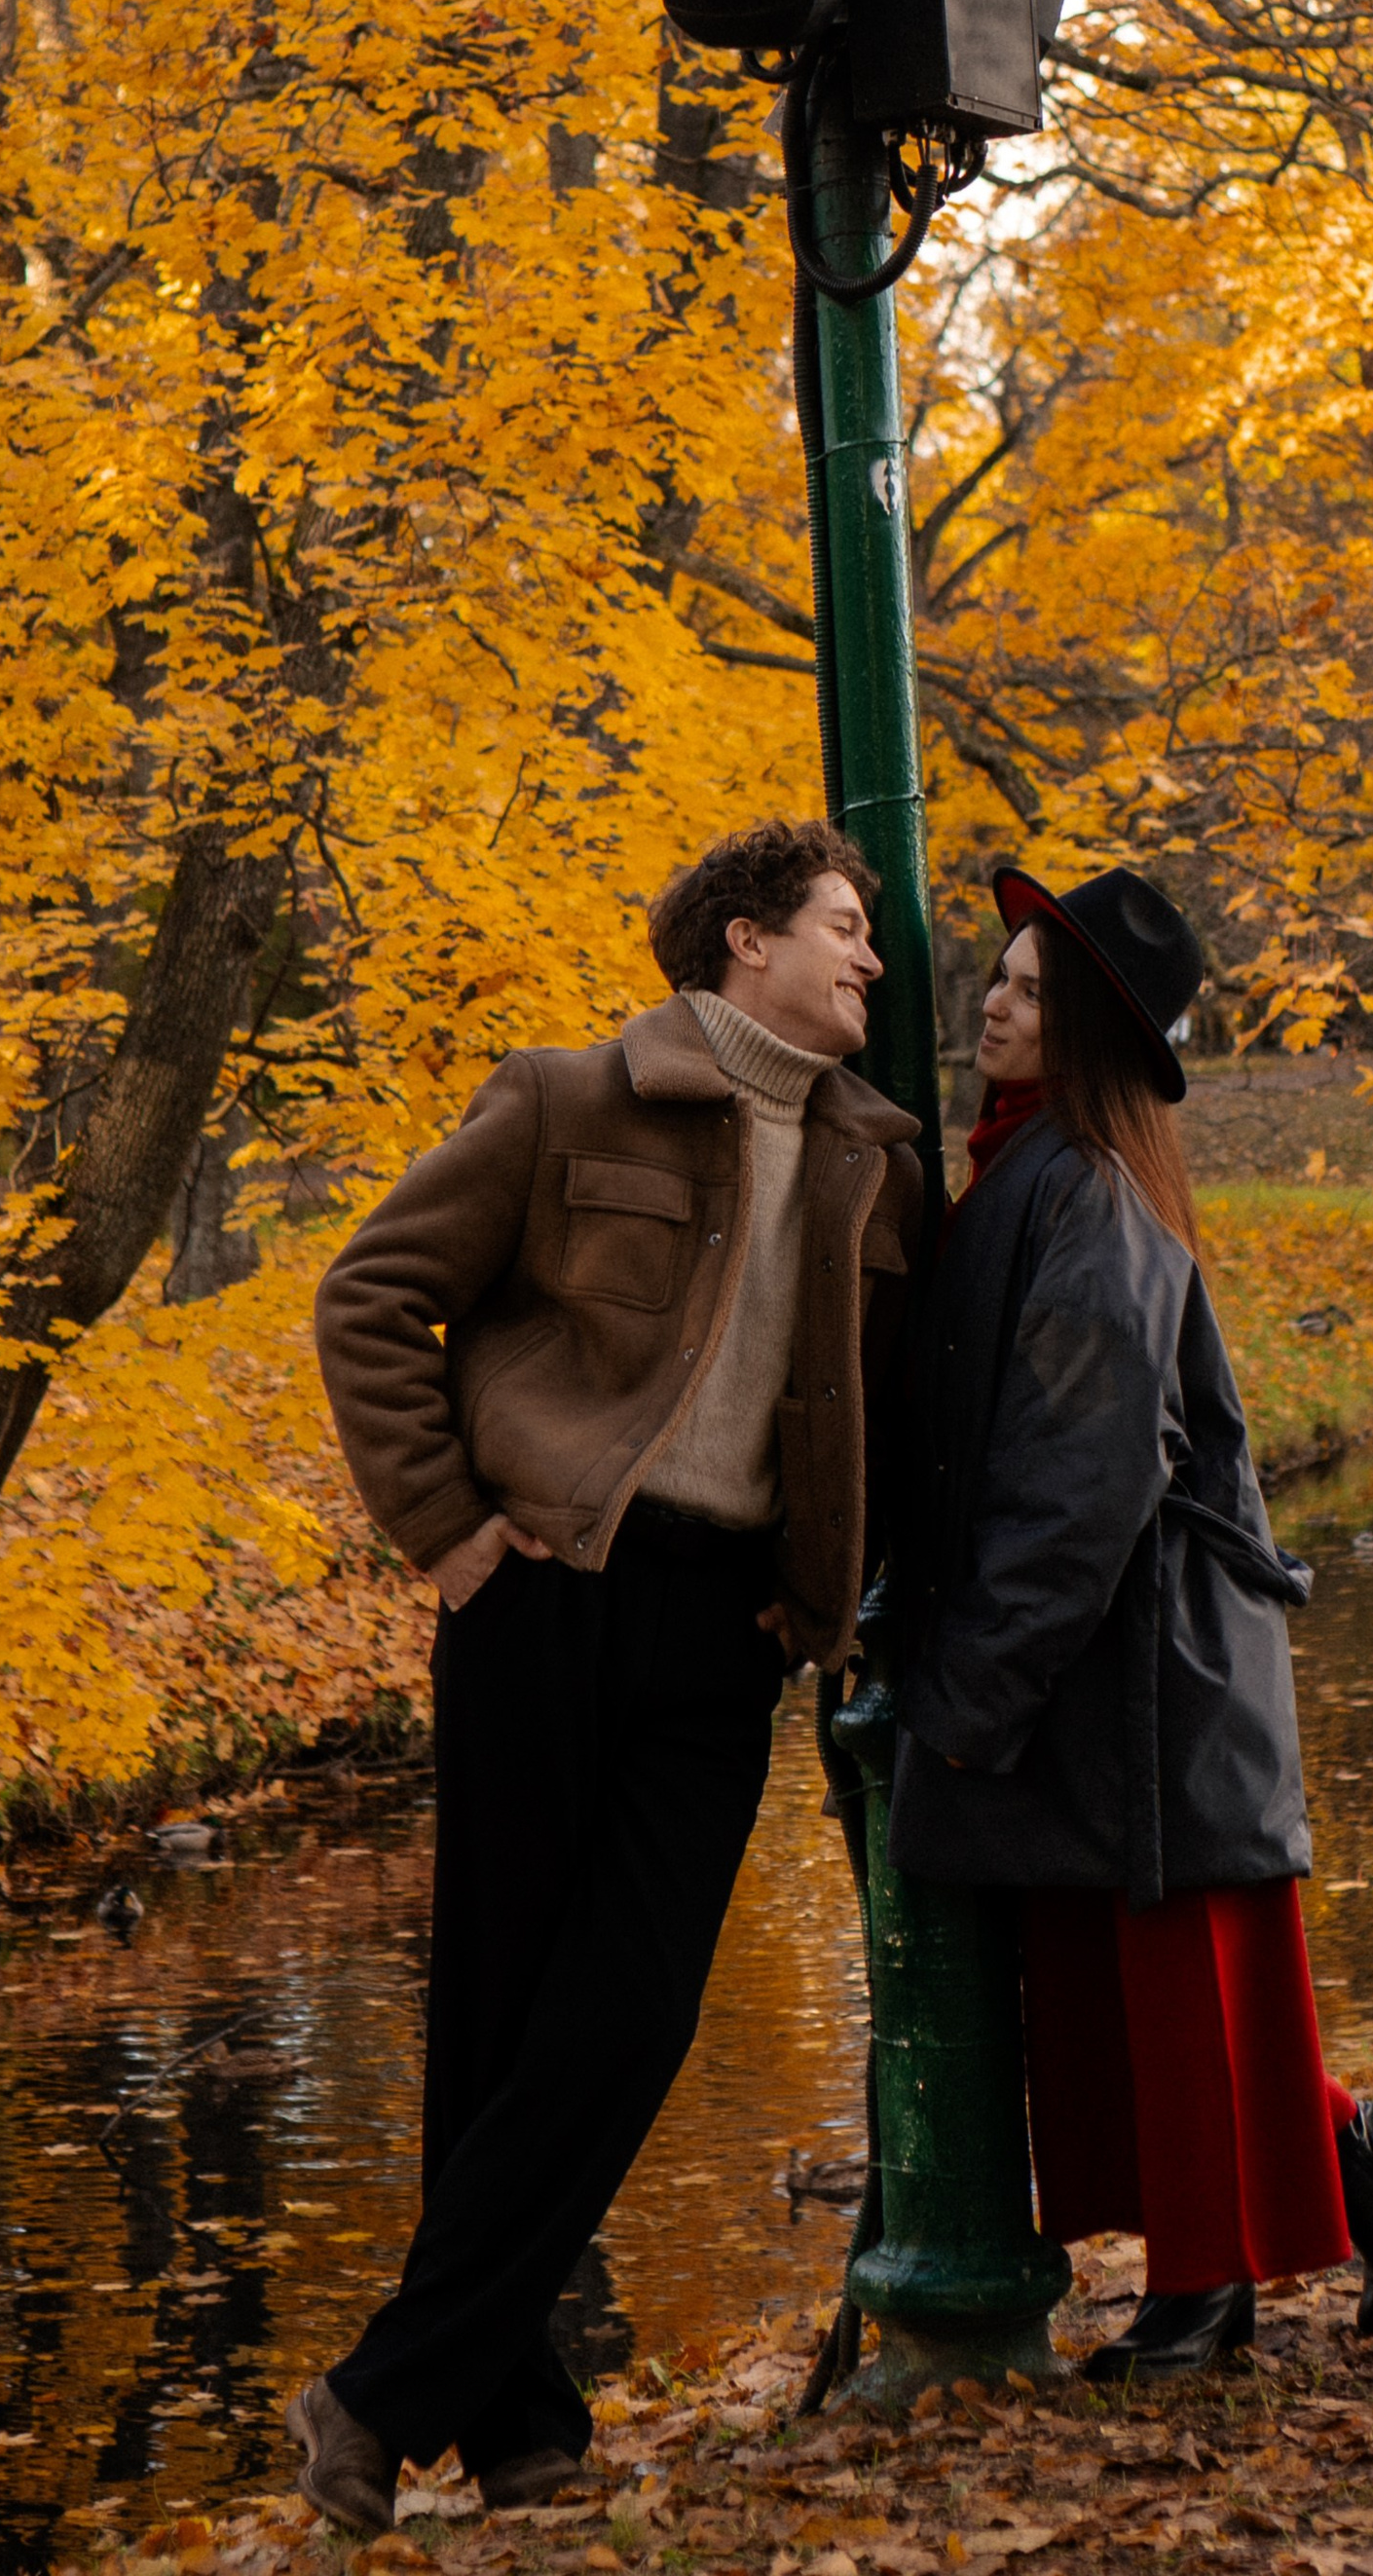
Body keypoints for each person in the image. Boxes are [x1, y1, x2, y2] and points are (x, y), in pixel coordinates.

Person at [288, 818, 924, 2530]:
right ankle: (514, 2422)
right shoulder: (572, 1097)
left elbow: (875, 1411)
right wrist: (446, 1531)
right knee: (500, 2012)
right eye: (847, 929)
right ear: (743, 942)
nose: (873, 962)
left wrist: (822, 1592)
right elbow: (371, 1296)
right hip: (548, 1591)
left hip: (727, 1629)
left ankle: (378, 2392)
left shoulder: (877, 1158)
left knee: (631, 2014)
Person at [890, 863, 1373, 2379]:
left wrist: (967, 1698)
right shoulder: (1034, 1167)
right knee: (1121, 1996)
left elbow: (1082, 1485)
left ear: (1081, 1025)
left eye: (1024, 984)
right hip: (1110, 1666)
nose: (991, 1001)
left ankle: (1207, 2295)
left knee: (1174, 1982)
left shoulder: (1083, 1192)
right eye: (999, 976)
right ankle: (1354, 2152)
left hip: (1148, 1671)